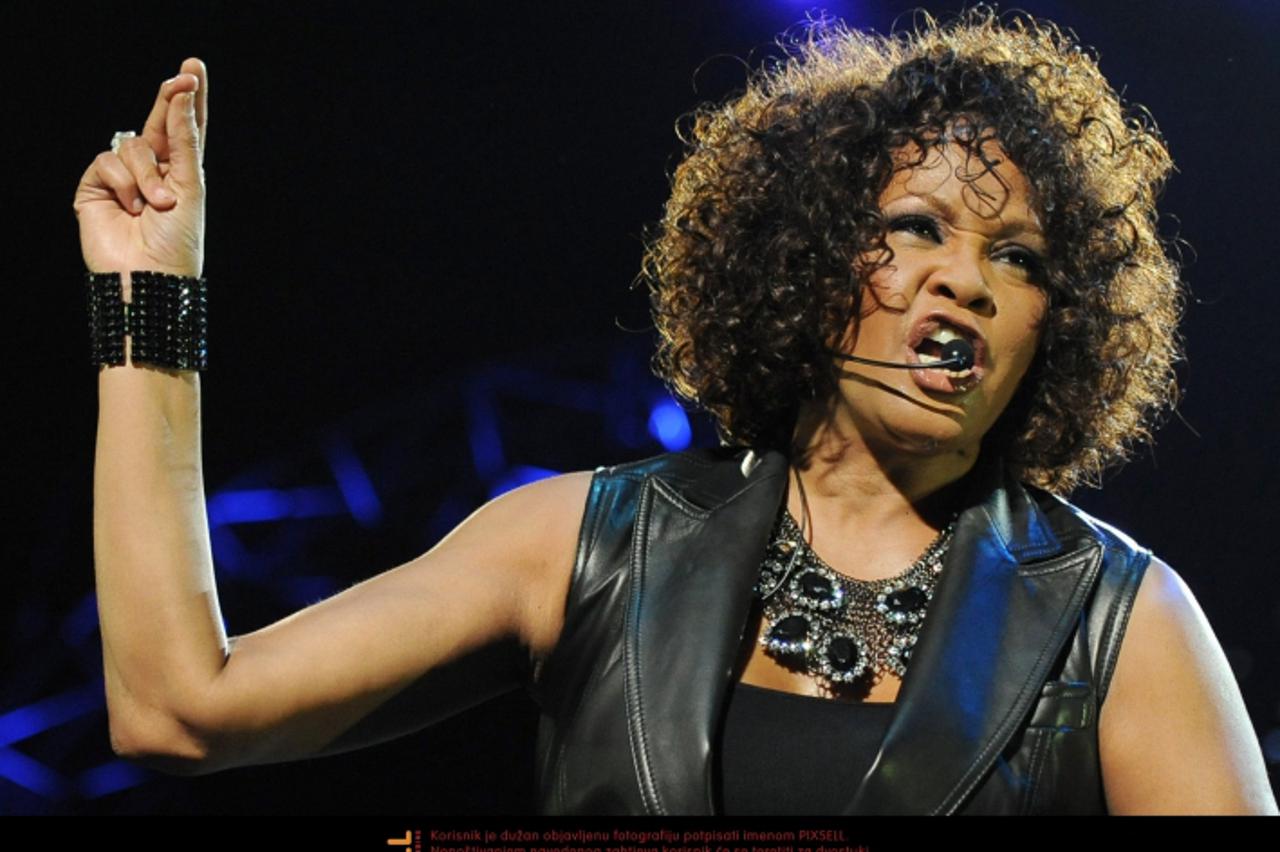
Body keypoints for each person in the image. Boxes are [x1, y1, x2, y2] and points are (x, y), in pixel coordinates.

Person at [76, 11, 1277, 814]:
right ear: (807, 261)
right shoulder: (583, 544)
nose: (965, 278)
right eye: (916, 227)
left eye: (1016, 257)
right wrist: (148, 298)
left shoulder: (1117, 619)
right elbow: (177, 705)